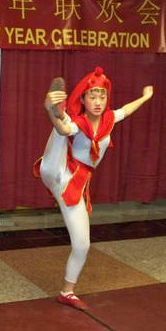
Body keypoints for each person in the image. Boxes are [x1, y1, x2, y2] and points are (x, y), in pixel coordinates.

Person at [34, 67, 153, 310]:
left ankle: (67, 292)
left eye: (102, 97)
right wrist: (51, 112)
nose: (98, 102)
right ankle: (59, 112)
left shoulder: (109, 119)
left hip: (77, 185)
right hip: (58, 171)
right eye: (92, 97)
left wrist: (145, 97)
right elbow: (65, 131)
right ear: (82, 99)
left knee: (82, 244)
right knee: (63, 128)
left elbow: (126, 110)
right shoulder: (80, 123)